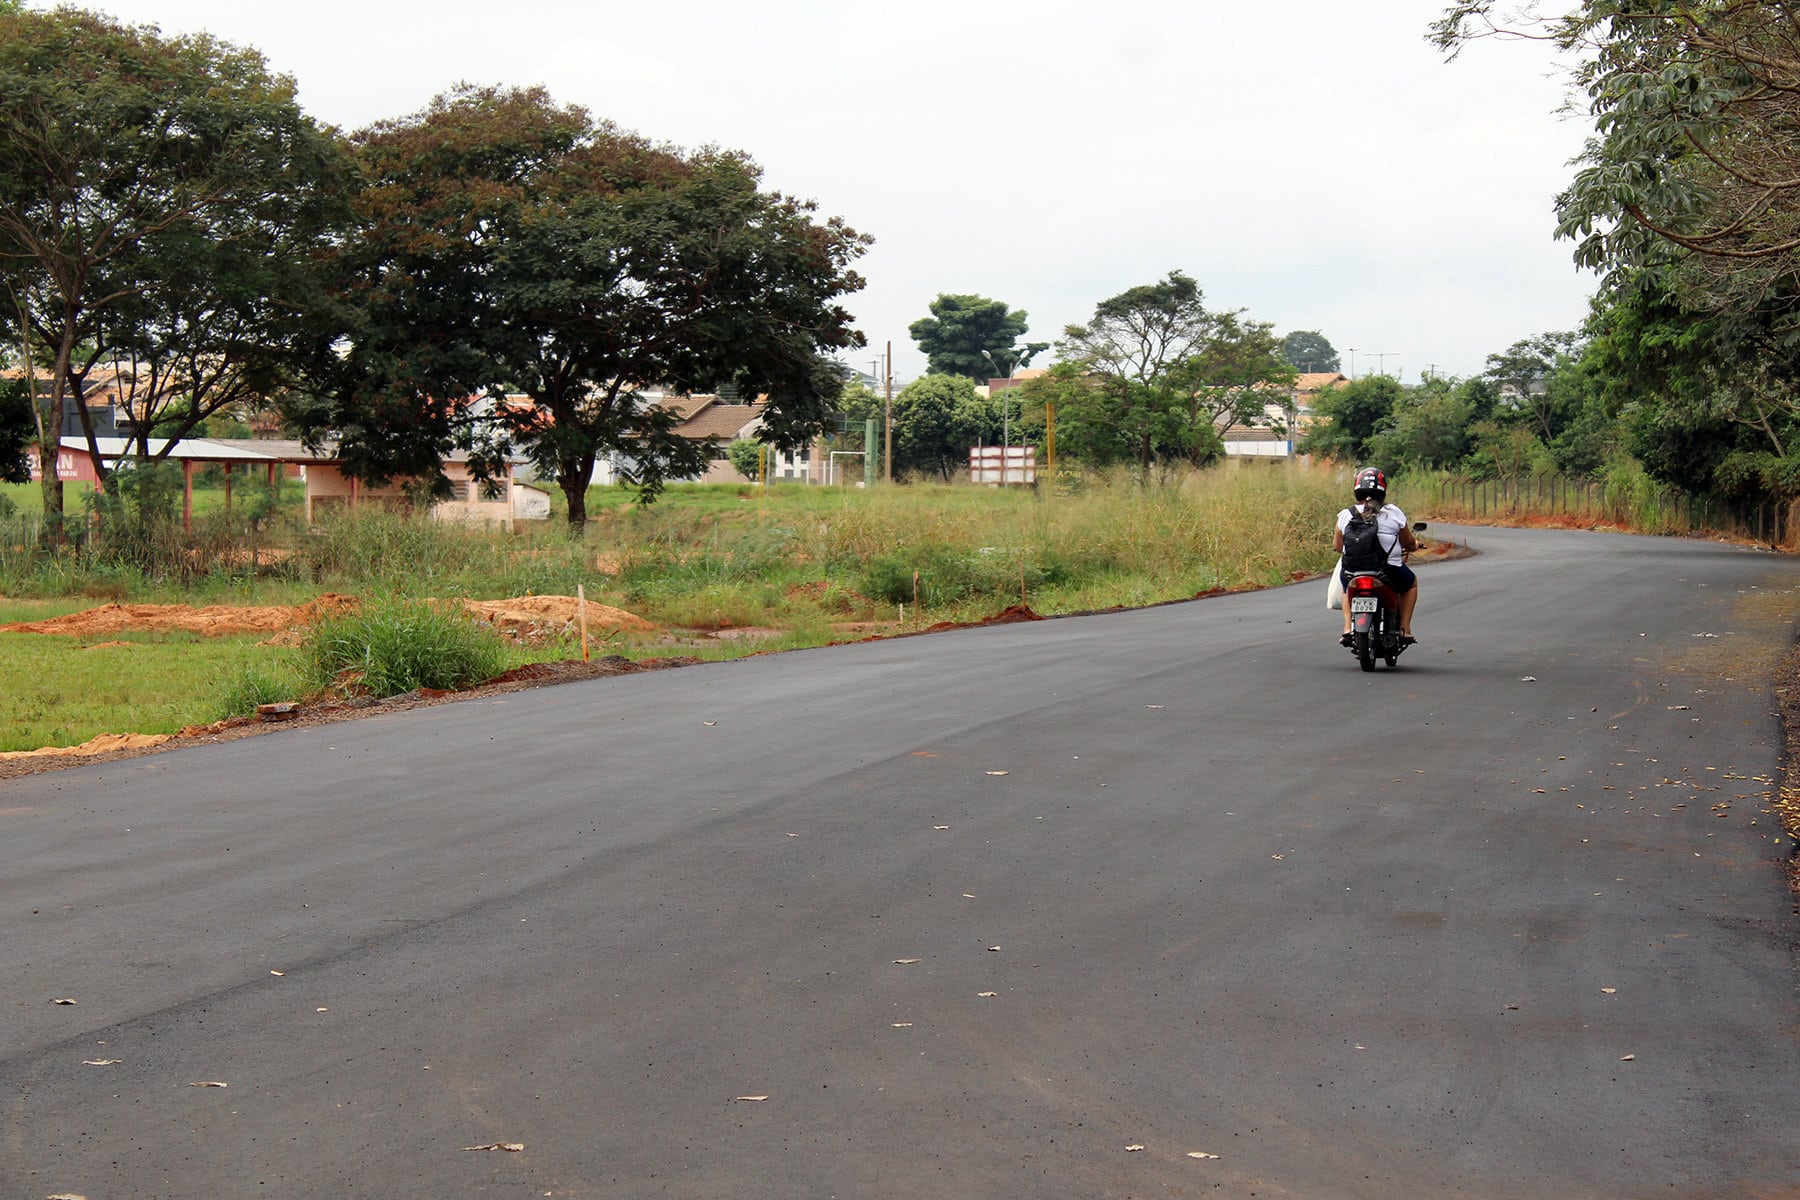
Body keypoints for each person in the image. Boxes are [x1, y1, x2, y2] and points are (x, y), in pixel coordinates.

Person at [1333, 467, 1419, 646]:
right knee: (1411, 583)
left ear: (1357, 490)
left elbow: (1337, 546)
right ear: (1383, 491)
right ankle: (1404, 629)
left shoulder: (1345, 515)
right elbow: (1408, 543)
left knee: (1345, 587)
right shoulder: (1393, 512)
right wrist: (1415, 546)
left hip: (1352, 571)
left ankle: (1348, 628)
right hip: (1388, 571)